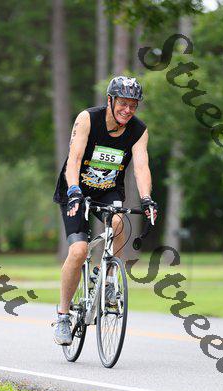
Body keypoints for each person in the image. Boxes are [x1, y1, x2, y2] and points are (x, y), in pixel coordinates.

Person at [52, 75, 157, 346]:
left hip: (108, 190)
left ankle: (108, 279)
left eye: (133, 105)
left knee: (120, 221)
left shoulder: (138, 130)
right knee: (79, 251)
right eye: (123, 103)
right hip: (76, 189)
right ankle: (63, 315)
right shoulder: (88, 119)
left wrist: (147, 199)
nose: (127, 110)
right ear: (110, 100)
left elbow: (141, 167)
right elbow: (74, 159)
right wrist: (73, 190)